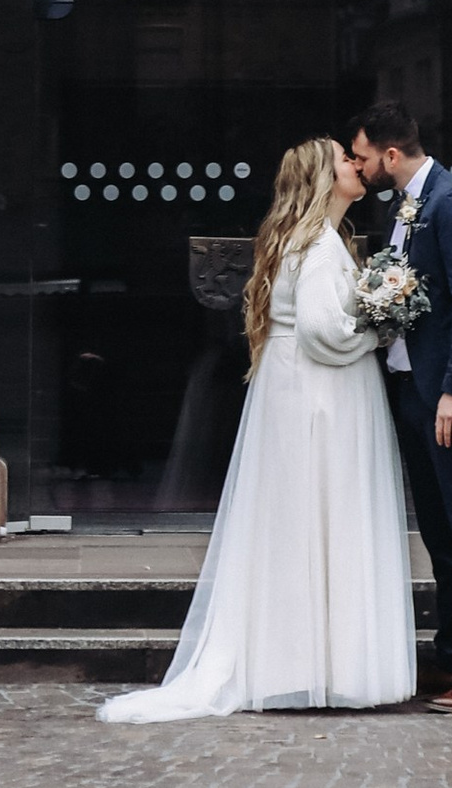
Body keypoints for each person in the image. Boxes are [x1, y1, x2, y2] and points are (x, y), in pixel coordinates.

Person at [97, 136, 415, 721]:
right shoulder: (320, 247)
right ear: (324, 177)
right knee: (325, 517)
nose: (356, 164)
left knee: (297, 525)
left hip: (297, 390)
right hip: (323, 396)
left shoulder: (304, 241)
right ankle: (324, 665)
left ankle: (298, 663)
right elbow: (325, 332)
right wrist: (381, 331)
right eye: (345, 159)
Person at [348, 99, 452, 712]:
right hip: (417, 393)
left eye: (363, 156)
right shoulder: (407, 206)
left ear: (391, 154)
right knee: (443, 535)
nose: (358, 166)